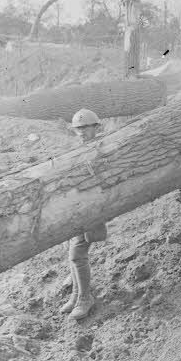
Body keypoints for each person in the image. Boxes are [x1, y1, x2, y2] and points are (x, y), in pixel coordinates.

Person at [59, 108, 108, 320]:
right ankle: (76, 295)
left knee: (77, 254)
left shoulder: (101, 147)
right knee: (72, 251)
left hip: (91, 206)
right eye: (79, 128)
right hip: (76, 207)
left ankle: (85, 298)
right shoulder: (75, 149)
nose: (82, 131)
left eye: (87, 127)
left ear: (96, 127)